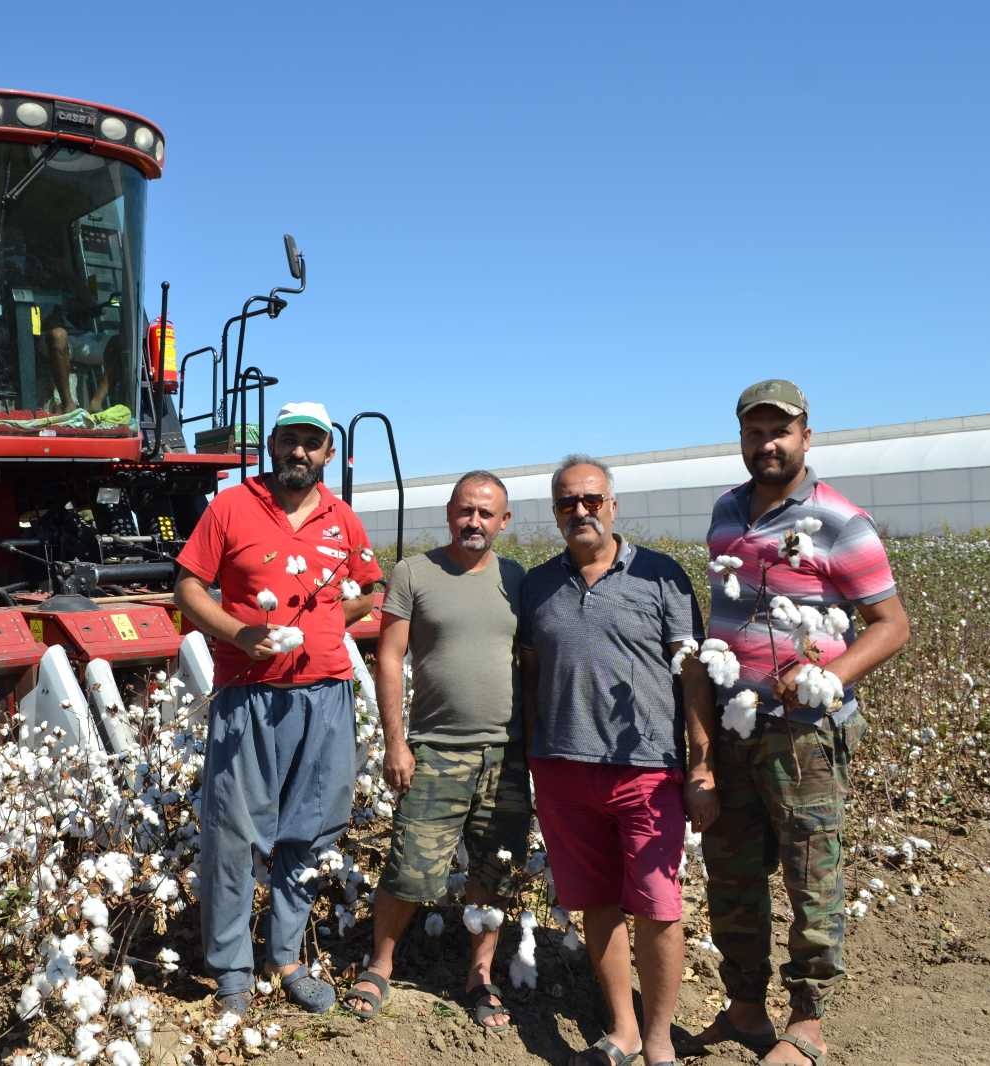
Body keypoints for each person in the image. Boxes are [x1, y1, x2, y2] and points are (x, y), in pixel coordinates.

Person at [687, 380, 910, 1066]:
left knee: (811, 874)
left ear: (806, 436)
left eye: (779, 431)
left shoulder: (840, 521)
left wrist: (827, 676)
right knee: (731, 875)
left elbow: (892, 625)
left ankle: (808, 1019)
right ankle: (745, 1008)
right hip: (735, 726)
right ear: (742, 439)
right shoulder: (726, 512)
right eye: (754, 432)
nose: (767, 444)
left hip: (805, 734)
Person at [174, 401, 382, 1016]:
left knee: (312, 829)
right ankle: (232, 971)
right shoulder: (231, 506)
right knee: (234, 835)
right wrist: (239, 633)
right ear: (272, 444)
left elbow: (369, 590)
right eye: (289, 439)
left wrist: (325, 619)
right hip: (249, 694)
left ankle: (285, 955)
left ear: (328, 453)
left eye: (311, 443)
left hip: (326, 694)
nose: (299, 452)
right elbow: (187, 586)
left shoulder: (343, 520)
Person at [518, 455, 715, 1066]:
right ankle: (623, 1030)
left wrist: (702, 765)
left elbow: (694, 677)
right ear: (555, 512)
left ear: (613, 505)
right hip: (562, 770)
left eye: (592, 500)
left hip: (647, 771)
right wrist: (533, 755)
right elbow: (529, 671)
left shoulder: (662, 577)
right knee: (597, 902)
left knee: (659, 907)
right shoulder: (537, 585)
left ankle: (659, 1040)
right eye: (567, 502)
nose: (581, 511)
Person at [342, 472, 531, 1030]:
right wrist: (396, 742)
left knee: (495, 870)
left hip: (505, 753)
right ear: (449, 513)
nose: (474, 521)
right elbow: (389, 657)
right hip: (435, 750)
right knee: (410, 868)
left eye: (486, 513)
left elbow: (533, 661)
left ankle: (480, 974)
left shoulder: (517, 578)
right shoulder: (414, 572)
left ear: (504, 521)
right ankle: (381, 964)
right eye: (465, 510)